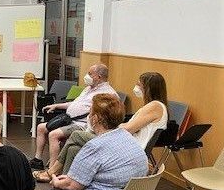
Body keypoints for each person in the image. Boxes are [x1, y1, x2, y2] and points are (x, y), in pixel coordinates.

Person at [33, 72, 168, 182]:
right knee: (73, 149)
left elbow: (127, 129)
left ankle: (52, 172)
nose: (136, 87)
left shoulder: (155, 106)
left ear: (149, 88)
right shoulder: (154, 106)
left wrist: (113, 126)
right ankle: (63, 186)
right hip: (123, 142)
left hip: (127, 148)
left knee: (76, 135)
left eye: (139, 85)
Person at [30, 63, 117, 171]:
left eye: (90, 74)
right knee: (41, 127)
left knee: (53, 135)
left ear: (99, 77)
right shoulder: (88, 89)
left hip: (82, 124)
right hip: (69, 119)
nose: (87, 76)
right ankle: (37, 160)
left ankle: (52, 170)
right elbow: (74, 104)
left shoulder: (107, 94)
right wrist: (56, 105)